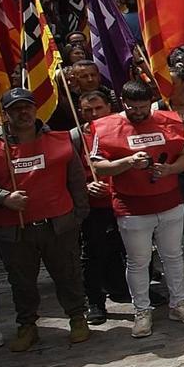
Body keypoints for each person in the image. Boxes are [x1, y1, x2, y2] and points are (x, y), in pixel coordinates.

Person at [0, 90, 94, 352]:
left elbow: (77, 182)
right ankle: (27, 325)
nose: (22, 113)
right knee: (21, 281)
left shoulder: (61, 140)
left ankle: (78, 317)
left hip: (58, 224)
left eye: (27, 107)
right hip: (13, 230)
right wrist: (3, 197)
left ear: (36, 110)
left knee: (68, 273)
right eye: (15, 109)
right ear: (6, 113)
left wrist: (79, 215)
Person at [90, 79, 184, 337]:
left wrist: (170, 169)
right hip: (132, 206)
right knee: (138, 261)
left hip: (169, 201)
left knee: (173, 256)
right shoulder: (105, 127)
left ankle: (178, 303)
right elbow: (98, 167)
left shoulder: (168, 120)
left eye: (143, 107)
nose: (138, 112)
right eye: (132, 108)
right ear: (123, 103)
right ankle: (142, 310)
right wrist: (127, 162)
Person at [71, 90, 131, 323]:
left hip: (124, 199)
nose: (94, 114)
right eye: (88, 110)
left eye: (99, 108)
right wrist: (86, 188)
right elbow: (67, 174)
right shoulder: (74, 138)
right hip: (94, 206)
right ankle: (95, 302)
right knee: (93, 253)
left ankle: (127, 290)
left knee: (131, 249)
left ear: (110, 106)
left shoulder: (123, 129)